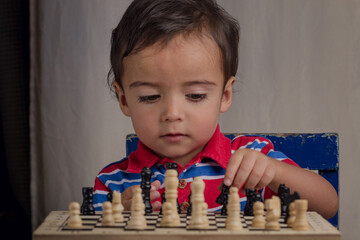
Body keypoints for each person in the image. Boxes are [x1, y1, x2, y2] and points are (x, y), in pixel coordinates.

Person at [93, 0, 338, 219]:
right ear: (124, 100)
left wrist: (273, 171)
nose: (173, 113)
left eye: (195, 95)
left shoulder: (250, 159)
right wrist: (117, 216)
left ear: (225, 95)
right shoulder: (113, 182)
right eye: (150, 97)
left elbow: (328, 206)